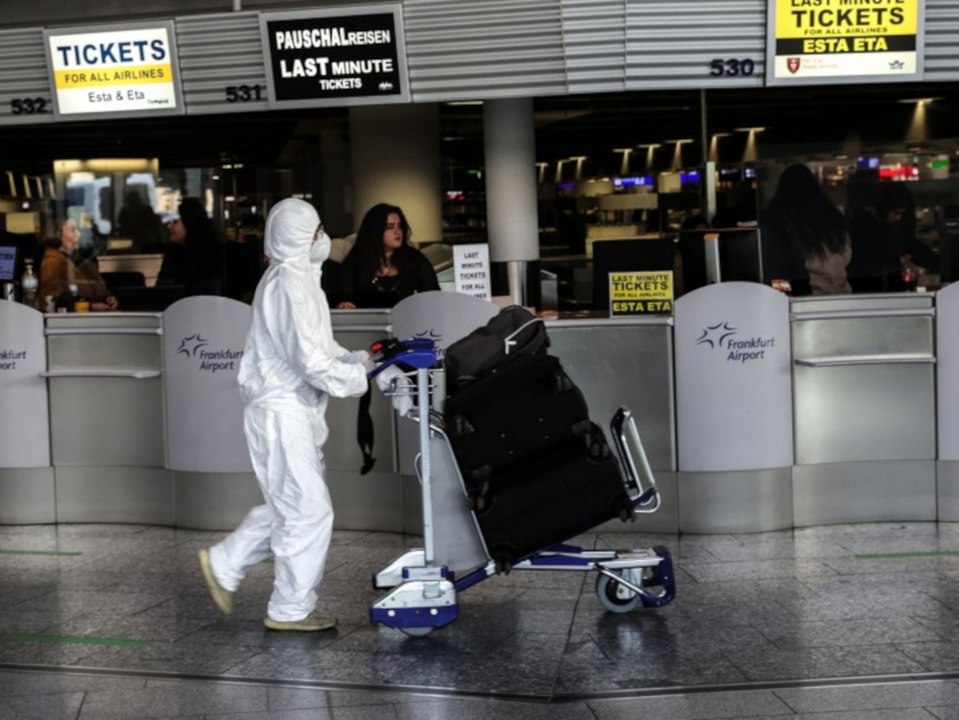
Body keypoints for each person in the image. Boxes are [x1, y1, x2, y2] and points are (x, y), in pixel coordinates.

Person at [197, 198, 399, 632]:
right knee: (308, 511)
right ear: (296, 238)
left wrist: (360, 361)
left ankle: (225, 561)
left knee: (289, 503)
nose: (322, 239)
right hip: (280, 411)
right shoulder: (289, 284)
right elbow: (310, 360)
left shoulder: (299, 280)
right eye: (315, 231)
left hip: (291, 409)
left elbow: (319, 350)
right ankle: (290, 609)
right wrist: (358, 377)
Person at [758, 163, 851, 295]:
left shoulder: (778, 222)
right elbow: (846, 256)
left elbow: (777, 273)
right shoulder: (832, 217)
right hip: (841, 296)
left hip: (807, 299)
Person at [334, 203, 439, 309]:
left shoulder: (414, 259)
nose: (398, 231)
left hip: (407, 320)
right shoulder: (355, 262)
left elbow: (434, 297)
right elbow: (343, 298)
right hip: (367, 322)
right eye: (390, 227)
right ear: (375, 231)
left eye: (400, 226)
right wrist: (343, 304)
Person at [847, 182, 939, 291]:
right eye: (896, 213)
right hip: (874, 288)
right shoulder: (864, 228)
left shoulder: (861, 226)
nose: (898, 217)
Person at [39, 217, 118, 311]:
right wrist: (90, 307)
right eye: (73, 230)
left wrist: (108, 299)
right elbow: (50, 303)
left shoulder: (84, 263)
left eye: (78, 230)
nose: (79, 234)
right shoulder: (52, 262)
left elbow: (100, 291)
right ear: (57, 234)